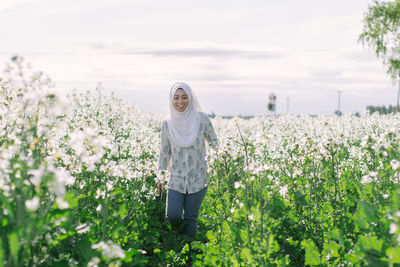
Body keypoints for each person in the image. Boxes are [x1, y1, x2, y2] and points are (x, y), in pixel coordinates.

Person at [157, 82, 218, 240]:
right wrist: (160, 177)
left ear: (190, 98)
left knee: (191, 219)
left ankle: (187, 253)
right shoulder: (167, 123)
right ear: (171, 100)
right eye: (176, 98)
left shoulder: (202, 119)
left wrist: (213, 164)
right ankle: (179, 241)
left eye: (184, 97)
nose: (180, 101)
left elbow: (214, 143)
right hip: (176, 178)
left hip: (198, 177)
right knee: (173, 216)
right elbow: (164, 152)